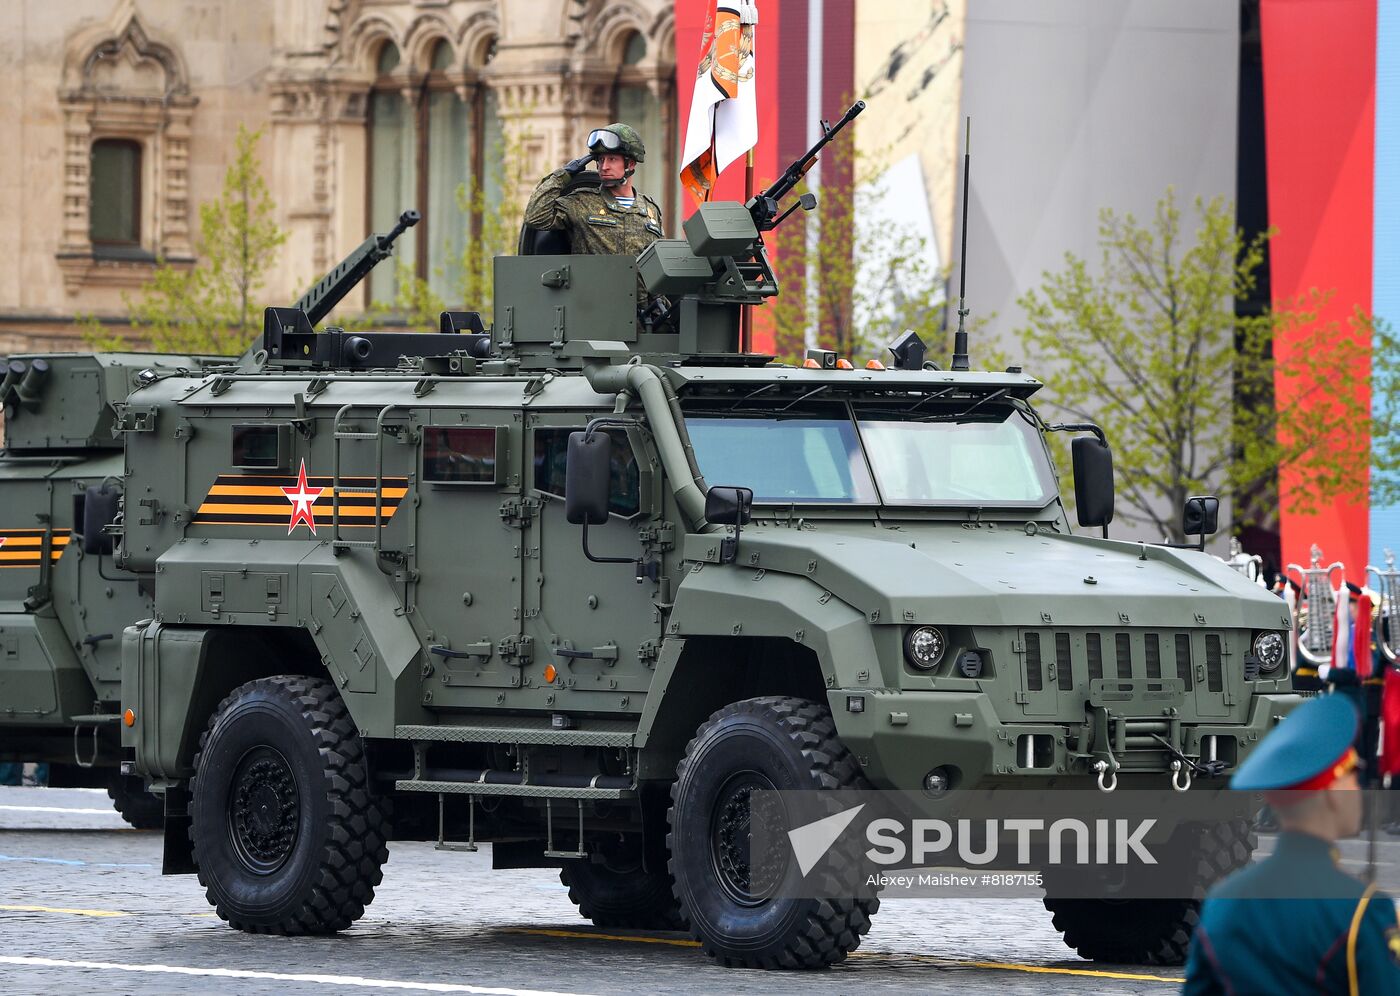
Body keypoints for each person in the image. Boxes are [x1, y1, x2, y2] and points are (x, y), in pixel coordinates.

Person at [1182, 695, 1400, 994]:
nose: (1358, 787)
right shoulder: (1363, 909)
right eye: (1352, 774)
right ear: (1332, 794)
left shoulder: (1225, 901)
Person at [522, 123, 665, 259]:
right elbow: (535, 217)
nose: (604, 166)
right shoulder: (581, 202)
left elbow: (659, 260)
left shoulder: (649, 210)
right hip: (595, 284)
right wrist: (564, 175)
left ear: (631, 163)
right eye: (601, 160)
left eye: (612, 159)